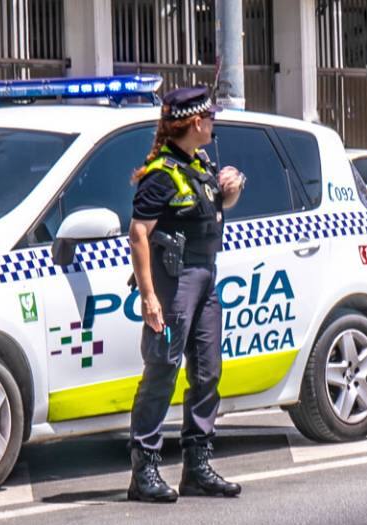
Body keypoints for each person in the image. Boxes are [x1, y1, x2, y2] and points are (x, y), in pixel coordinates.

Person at [126, 86, 246, 503]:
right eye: (210, 118)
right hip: (174, 283)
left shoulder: (199, 163)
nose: (213, 124)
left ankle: (197, 466)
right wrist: (148, 295)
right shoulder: (161, 172)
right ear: (196, 123)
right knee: (162, 370)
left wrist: (232, 186)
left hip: (205, 278)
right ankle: (144, 470)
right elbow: (139, 233)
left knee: (208, 371)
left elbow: (212, 208)